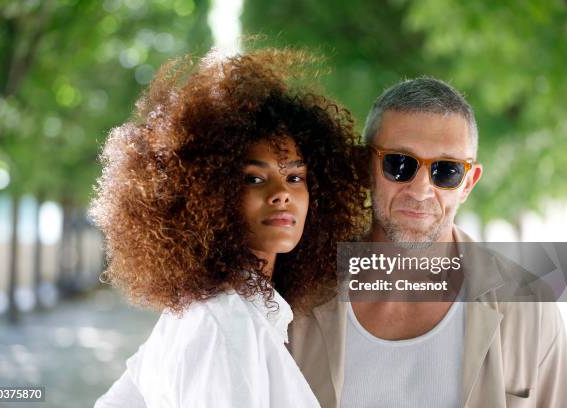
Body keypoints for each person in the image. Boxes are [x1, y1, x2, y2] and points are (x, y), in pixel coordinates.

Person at [89, 49, 367, 407]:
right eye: (253, 178)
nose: (282, 194)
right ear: (207, 194)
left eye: (295, 177)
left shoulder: (204, 313)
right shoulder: (224, 323)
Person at [288, 77, 567, 407]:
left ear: (469, 183)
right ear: (364, 166)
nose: (421, 189)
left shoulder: (529, 308)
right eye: (399, 164)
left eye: (447, 171)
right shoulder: (297, 302)